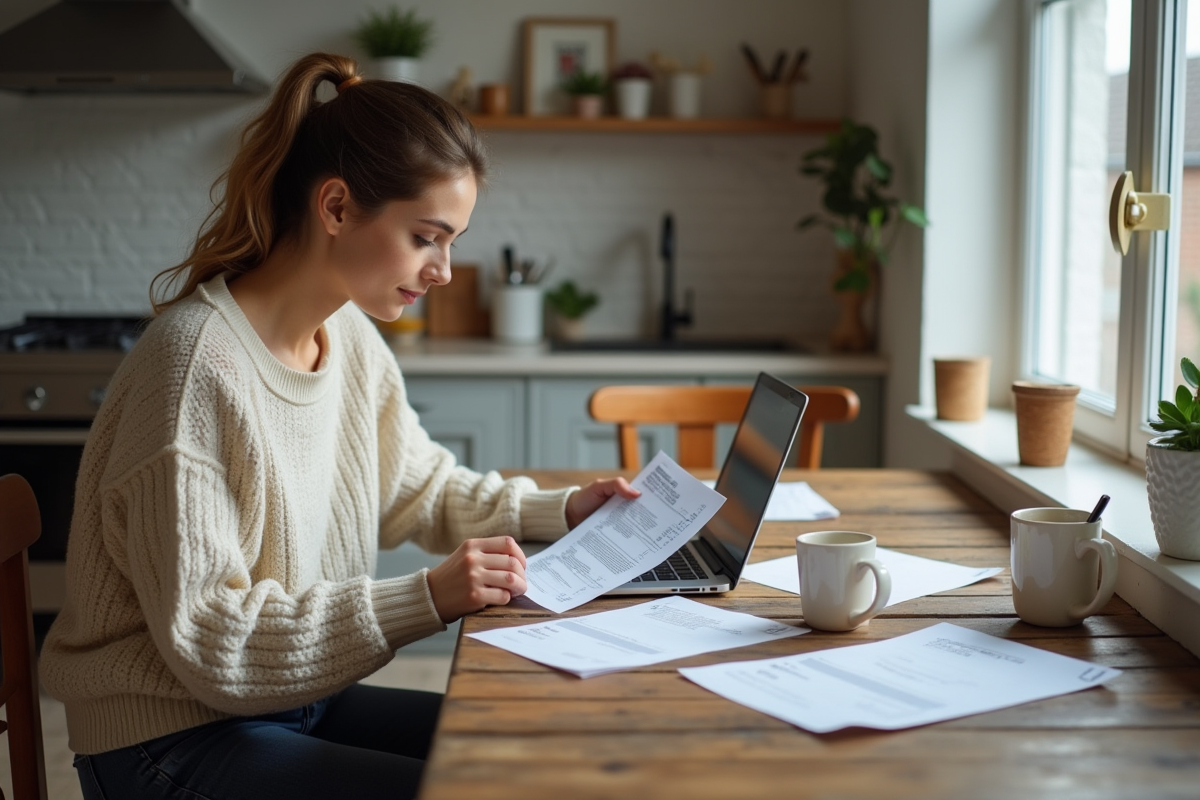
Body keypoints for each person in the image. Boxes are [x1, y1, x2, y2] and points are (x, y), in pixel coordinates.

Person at [38, 52, 639, 800]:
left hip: (287, 700)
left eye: (450, 240)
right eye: (427, 236)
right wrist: (428, 597)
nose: (444, 270)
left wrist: (561, 510)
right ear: (335, 208)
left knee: (526, 753)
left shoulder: (348, 335)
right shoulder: (194, 369)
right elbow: (212, 638)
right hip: (169, 737)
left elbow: (415, 487)